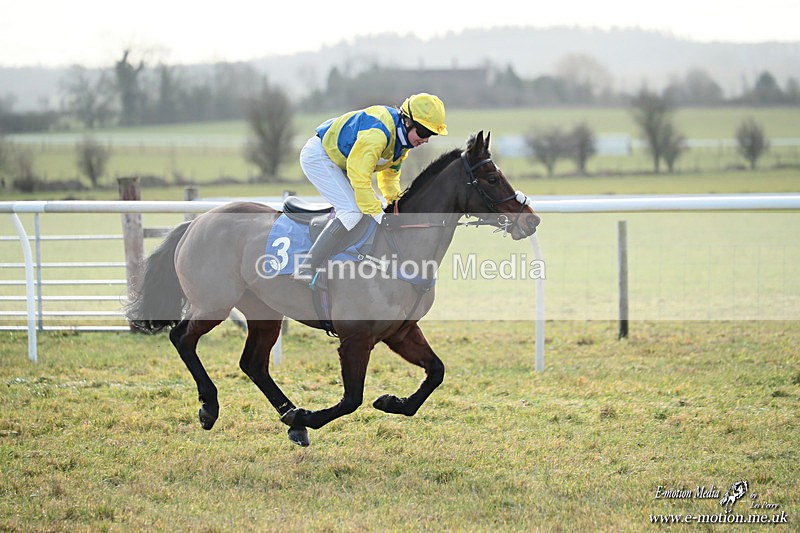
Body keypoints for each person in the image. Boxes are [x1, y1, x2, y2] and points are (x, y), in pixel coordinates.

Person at [294, 93, 448, 280]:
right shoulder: (378, 133)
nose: (426, 140)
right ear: (408, 122)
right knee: (352, 211)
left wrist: (396, 204)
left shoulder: (403, 142)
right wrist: (380, 216)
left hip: (342, 161)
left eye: (431, 134)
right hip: (320, 156)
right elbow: (360, 177)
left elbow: (389, 178)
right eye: (424, 132)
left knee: (369, 208)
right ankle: (307, 266)